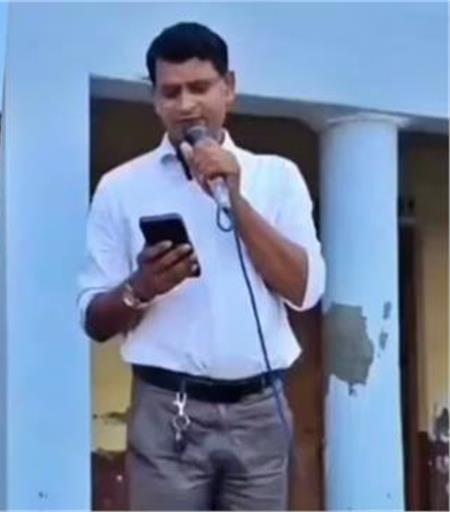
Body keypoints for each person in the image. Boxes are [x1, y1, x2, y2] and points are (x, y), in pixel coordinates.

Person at [78, 22, 325, 510]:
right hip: (168, 409)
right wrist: (140, 287)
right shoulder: (120, 187)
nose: (186, 104)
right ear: (154, 100)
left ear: (228, 87)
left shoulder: (276, 176)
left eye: (200, 87)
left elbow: (305, 291)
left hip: (260, 410)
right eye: (171, 92)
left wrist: (234, 197)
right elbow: (93, 320)